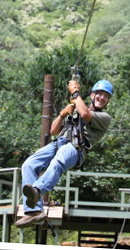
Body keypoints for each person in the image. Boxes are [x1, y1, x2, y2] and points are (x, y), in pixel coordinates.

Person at [15, 79, 113, 228]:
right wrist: (62, 115)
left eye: (106, 96)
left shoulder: (104, 118)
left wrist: (74, 92)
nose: (102, 98)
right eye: (100, 94)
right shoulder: (75, 110)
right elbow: (53, 131)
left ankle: (37, 191)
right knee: (28, 165)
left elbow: (86, 114)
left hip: (76, 148)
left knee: (58, 161)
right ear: (92, 95)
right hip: (59, 143)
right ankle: (33, 211)